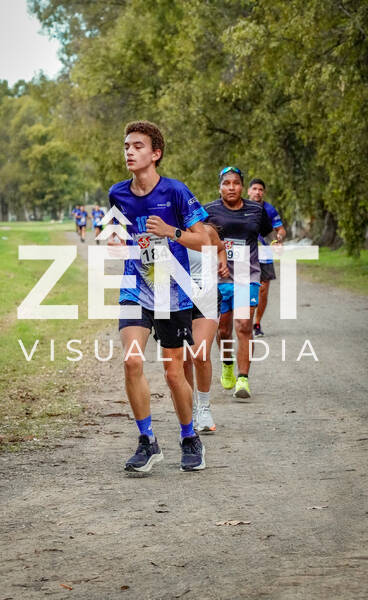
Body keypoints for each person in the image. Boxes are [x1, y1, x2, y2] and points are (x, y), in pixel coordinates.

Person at [108, 120, 210, 473]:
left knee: (172, 372)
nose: (129, 152)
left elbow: (205, 240)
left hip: (172, 293)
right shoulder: (117, 193)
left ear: (156, 154)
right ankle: (147, 441)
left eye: (137, 146)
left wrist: (171, 231)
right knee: (132, 362)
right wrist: (118, 242)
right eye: (126, 146)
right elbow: (120, 233)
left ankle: (189, 437)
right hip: (135, 288)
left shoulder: (176, 191)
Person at [205, 167, 273, 398]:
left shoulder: (256, 210)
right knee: (223, 329)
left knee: (243, 325)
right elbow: (198, 238)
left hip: (247, 275)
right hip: (219, 277)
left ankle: (243, 379)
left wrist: (276, 243)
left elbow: (267, 233)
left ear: (242, 187)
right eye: (226, 183)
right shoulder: (209, 211)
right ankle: (227, 364)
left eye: (235, 183)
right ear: (219, 187)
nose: (231, 187)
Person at [183, 223, 229, 433]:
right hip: (176, 298)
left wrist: (222, 262)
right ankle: (189, 408)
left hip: (207, 297)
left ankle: (204, 407)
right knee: (183, 359)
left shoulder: (207, 231)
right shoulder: (163, 231)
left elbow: (220, 247)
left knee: (200, 354)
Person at [248, 178, 286, 336]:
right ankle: (244, 322)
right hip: (245, 254)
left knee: (263, 290)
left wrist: (279, 238)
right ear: (248, 191)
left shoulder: (269, 209)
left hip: (265, 253)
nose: (258, 192)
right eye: (255, 189)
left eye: (261, 190)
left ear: (263, 192)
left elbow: (280, 229)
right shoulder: (241, 207)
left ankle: (257, 323)